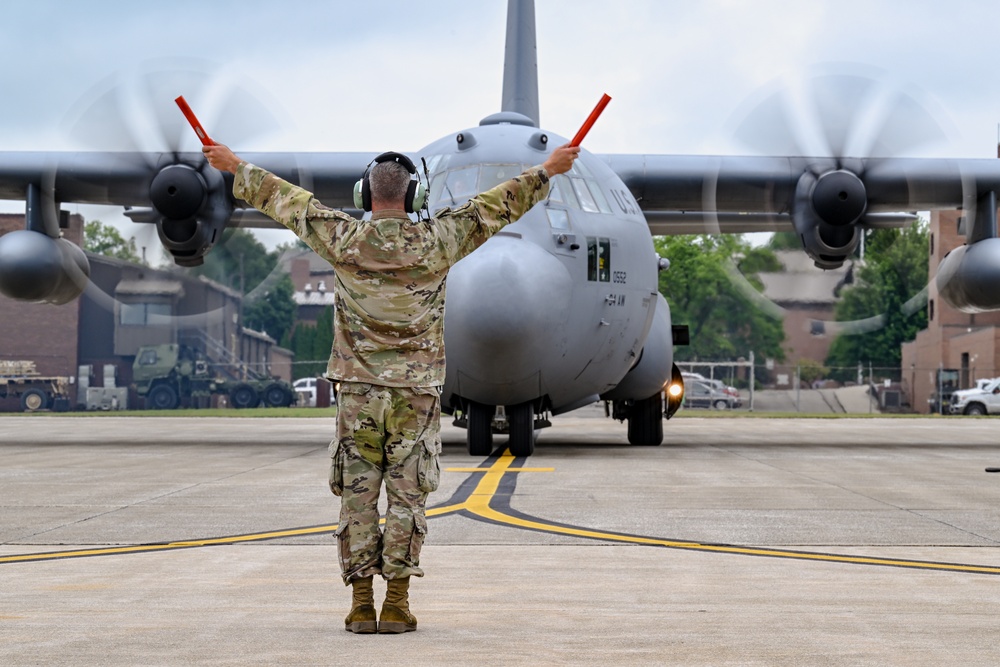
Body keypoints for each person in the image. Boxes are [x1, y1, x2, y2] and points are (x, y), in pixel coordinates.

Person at [203, 140, 579, 634]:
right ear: (415, 196)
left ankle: (361, 605)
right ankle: (397, 605)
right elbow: (496, 206)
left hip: (357, 395)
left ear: (364, 195)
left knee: (358, 497)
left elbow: (288, 201)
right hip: (415, 397)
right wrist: (548, 169)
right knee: (407, 498)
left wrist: (235, 168)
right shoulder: (438, 240)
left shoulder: (343, 238)